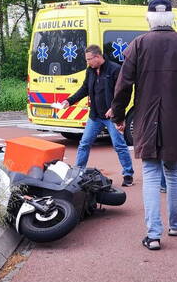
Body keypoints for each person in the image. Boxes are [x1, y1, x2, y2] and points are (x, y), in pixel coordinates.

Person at [110, 0, 177, 251]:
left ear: (149, 18)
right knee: (174, 172)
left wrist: (119, 116)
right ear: (171, 17)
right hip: (176, 119)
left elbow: (123, 86)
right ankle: (175, 223)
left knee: (150, 174)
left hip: (146, 118)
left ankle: (153, 234)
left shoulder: (138, 45)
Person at [56, 45, 135, 186]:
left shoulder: (115, 69)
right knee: (84, 143)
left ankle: (128, 174)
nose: (88, 62)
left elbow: (123, 93)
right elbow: (85, 88)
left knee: (119, 145)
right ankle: (78, 173)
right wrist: (70, 101)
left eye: (89, 59)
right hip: (95, 116)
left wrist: (114, 108)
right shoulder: (90, 71)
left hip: (111, 117)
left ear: (98, 57)